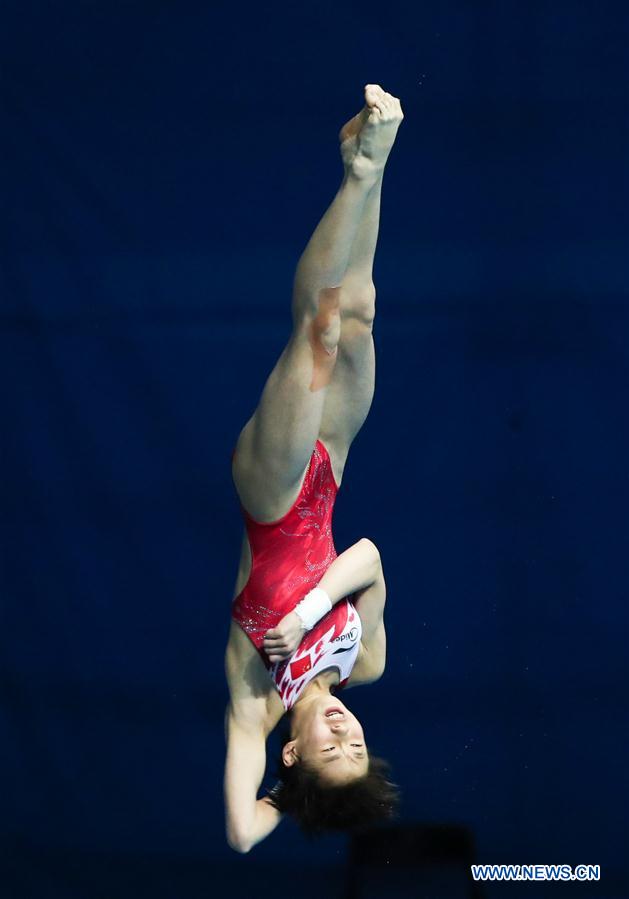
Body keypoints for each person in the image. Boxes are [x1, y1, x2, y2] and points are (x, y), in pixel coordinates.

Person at [224, 84, 404, 852]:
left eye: (330, 749)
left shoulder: (255, 703)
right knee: (357, 316)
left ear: (293, 755)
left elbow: (241, 832)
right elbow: (367, 557)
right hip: (328, 476)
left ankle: (360, 170)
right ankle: (367, 163)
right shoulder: (366, 661)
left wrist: (292, 799)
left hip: (271, 497)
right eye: (355, 744)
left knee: (319, 330)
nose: (342, 730)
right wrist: (306, 615)